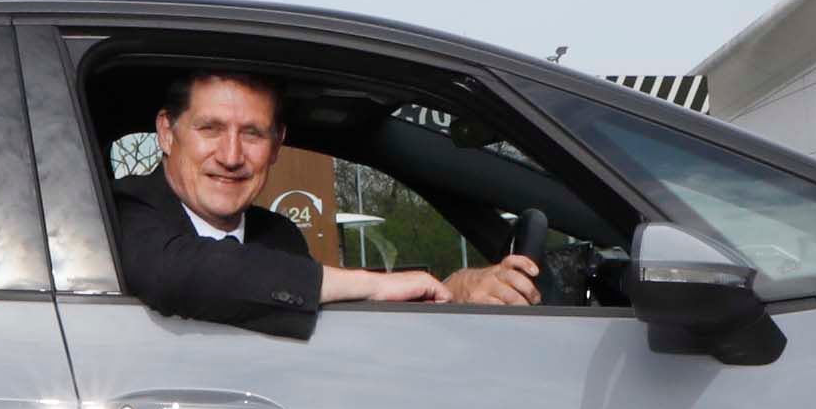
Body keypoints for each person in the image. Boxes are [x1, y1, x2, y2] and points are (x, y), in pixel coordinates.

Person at [108, 67, 538, 335]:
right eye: (211, 129)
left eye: (253, 134)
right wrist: (377, 282)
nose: (232, 156)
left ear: (277, 145)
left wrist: (452, 293)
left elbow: (337, 324)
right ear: (167, 132)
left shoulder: (278, 237)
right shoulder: (122, 212)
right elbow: (187, 274)